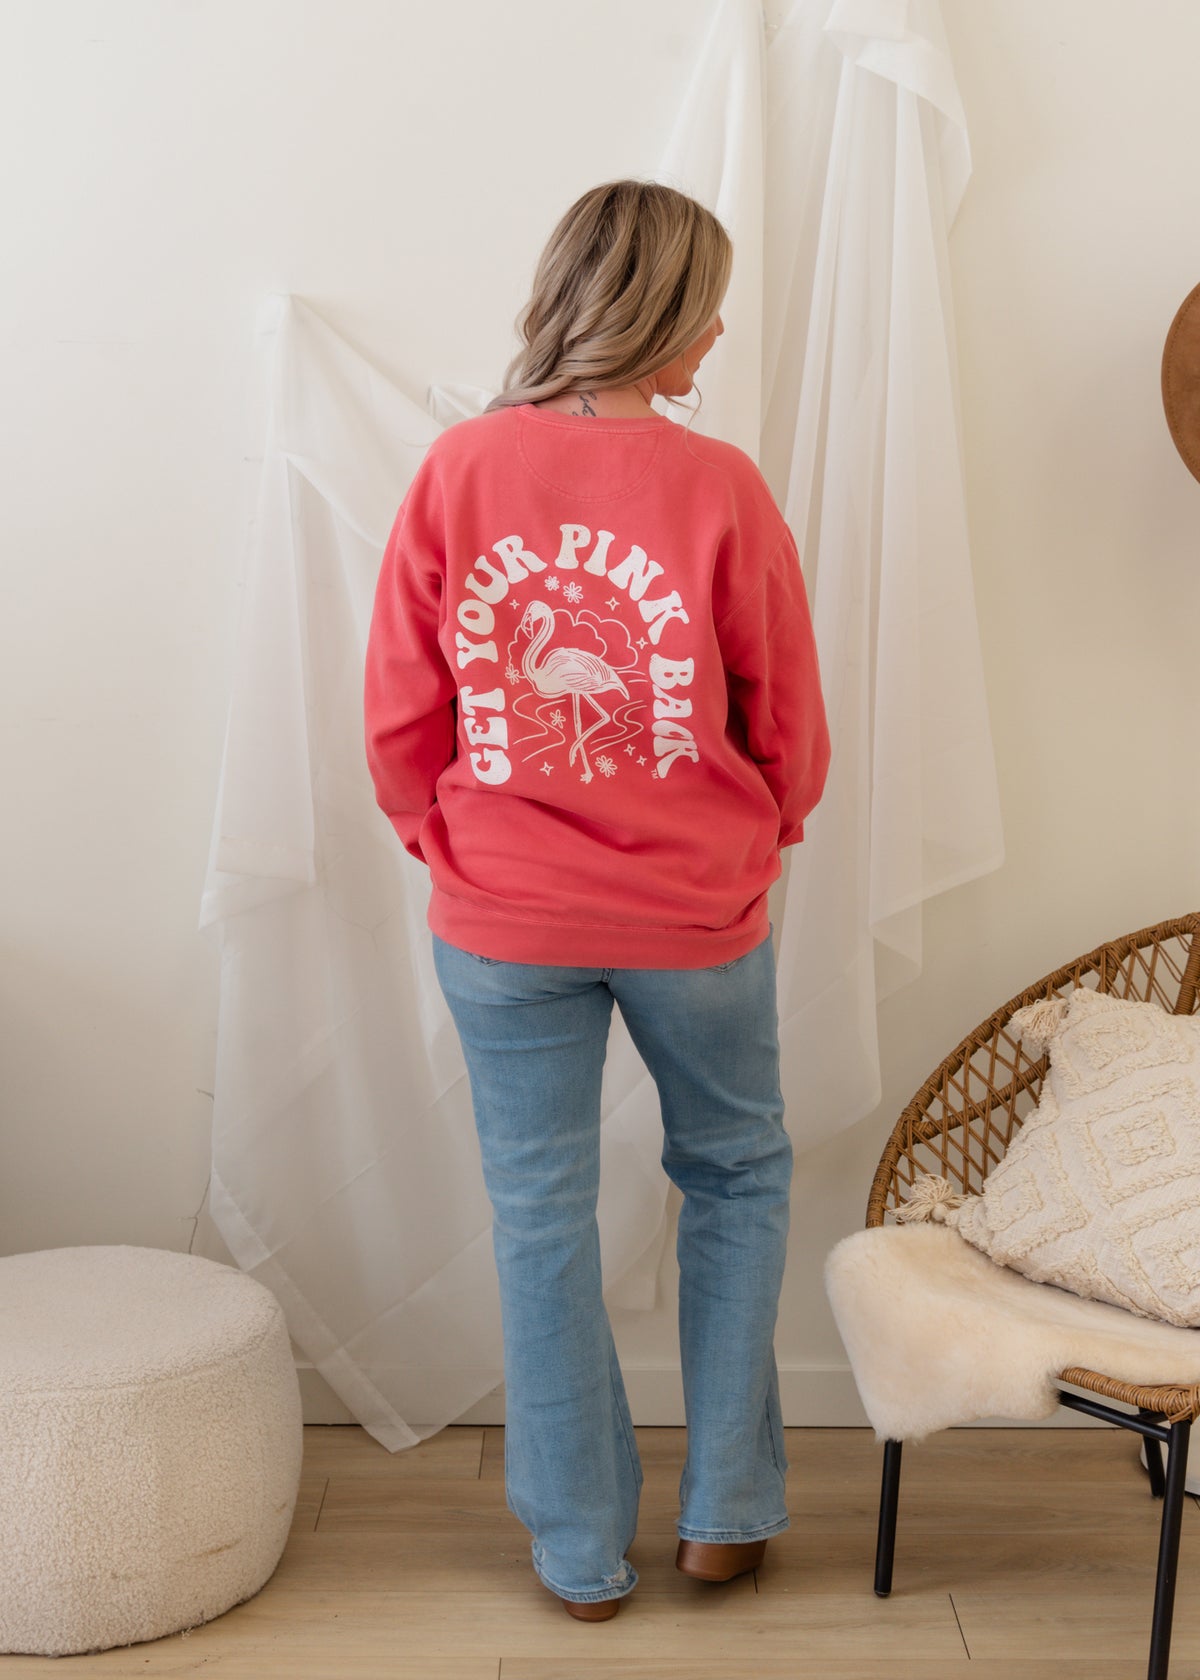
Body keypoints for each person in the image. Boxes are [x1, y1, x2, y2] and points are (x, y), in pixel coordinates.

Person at [363, 179, 831, 1621]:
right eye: (709, 307)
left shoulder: (458, 468)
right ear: (659, 310)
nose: (720, 335)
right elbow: (786, 711)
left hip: (503, 917)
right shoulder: (721, 486)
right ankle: (728, 1511)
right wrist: (764, 833)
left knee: (538, 1214)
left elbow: (401, 705)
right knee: (737, 1175)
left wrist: (447, 841)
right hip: (694, 917)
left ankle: (576, 1551)